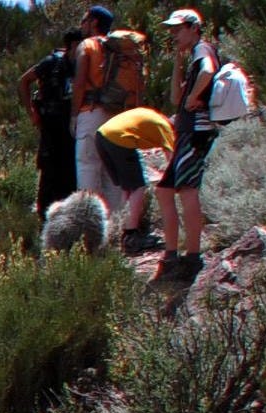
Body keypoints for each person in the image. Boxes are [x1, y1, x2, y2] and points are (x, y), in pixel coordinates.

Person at [71, 6, 159, 252]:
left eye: (85, 18)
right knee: (112, 177)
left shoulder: (87, 46)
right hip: (117, 116)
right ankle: (115, 236)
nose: (82, 23)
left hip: (91, 113)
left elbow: (79, 84)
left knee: (88, 170)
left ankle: (91, 239)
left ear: (94, 22)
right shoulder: (121, 51)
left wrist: (74, 114)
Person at [154, 8, 222, 277]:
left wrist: (194, 96)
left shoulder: (203, 50)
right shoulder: (192, 56)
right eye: (172, 30)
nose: (174, 34)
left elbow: (208, 71)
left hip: (196, 131)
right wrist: (177, 62)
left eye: (178, 29)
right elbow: (174, 98)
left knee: (187, 190)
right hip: (187, 131)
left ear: (194, 28)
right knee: (164, 190)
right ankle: (172, 254)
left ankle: (192, 257)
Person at [18, 26, 89, 221]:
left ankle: (67, 219)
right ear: (74, 45)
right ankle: (45, 220)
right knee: (49, 172)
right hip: (51, 127)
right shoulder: (52, 63)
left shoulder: (82, 66)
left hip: (72, 127)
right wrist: (32, 112)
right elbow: (24, 81)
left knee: (71, 173)